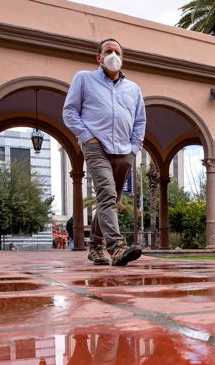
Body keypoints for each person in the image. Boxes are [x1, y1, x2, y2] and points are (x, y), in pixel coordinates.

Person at [63, 38, 145, 266]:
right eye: (108, 51)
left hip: (124, 150)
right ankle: (117, 248)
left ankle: (96, 247)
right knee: (107, 194)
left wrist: (134, 148)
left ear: (122, 58)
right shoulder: (84, 79)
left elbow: (140, 121)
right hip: (95, 146)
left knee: (109, 199)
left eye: (117, 52)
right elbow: (69, 111)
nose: (113, 55)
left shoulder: (133, 89)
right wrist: (87, 137)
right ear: (99, 57)